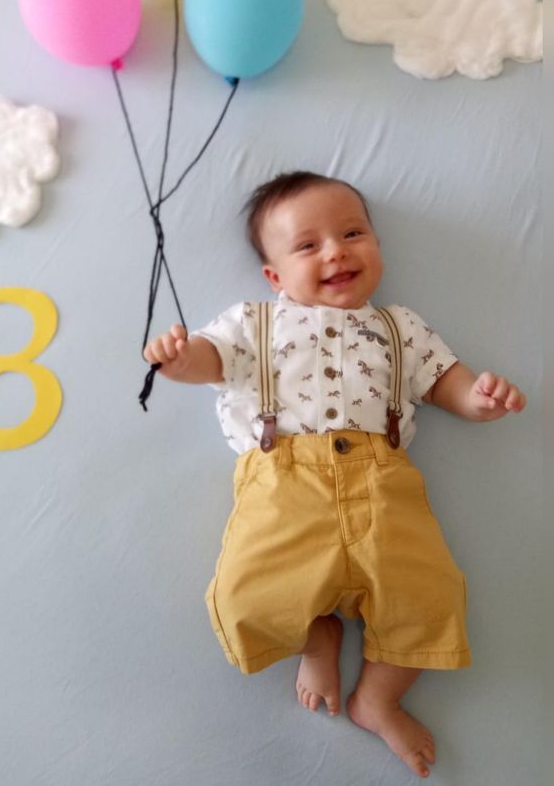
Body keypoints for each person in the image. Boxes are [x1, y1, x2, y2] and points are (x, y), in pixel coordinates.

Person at [143, 170, 526, 780]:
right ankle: (317, 632)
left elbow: (447, 382)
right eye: (307, 245)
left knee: (431, 597)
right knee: (249, 593)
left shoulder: (401, 326)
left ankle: (377, 698)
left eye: (353, 233)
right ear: (274, 277)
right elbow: (211, 360)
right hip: (286, 481)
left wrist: (479, 397)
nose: (336, 251)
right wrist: (180, 359)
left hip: (384, 483)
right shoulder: (255, 323)